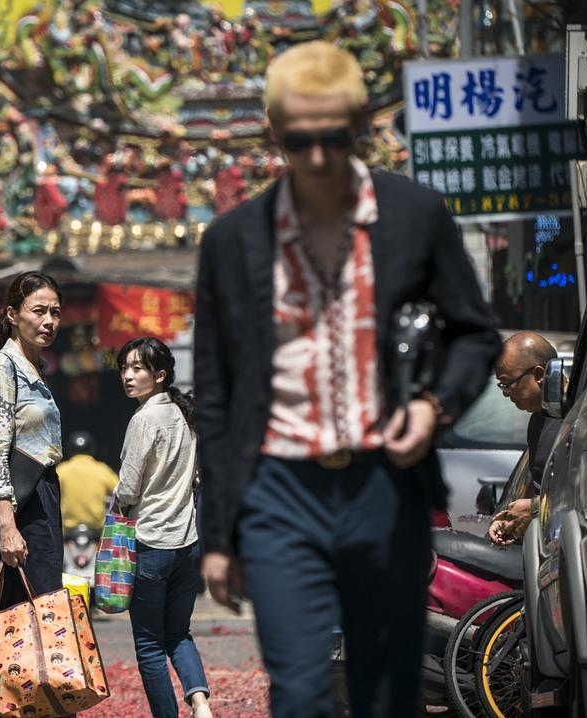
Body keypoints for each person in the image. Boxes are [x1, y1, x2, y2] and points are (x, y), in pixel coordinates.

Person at [193, 41, 501, 718]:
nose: (317, 158)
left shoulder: (414, 216)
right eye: (298, 141)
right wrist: (218, 537)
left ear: (359, 128)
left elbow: (474, 334)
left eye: (334, 138)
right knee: (300, 693)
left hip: (384, 484)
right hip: (277, 492)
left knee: (385, 691)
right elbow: (215, 396)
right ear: (273, 133)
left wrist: (434, 406)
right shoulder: (232, 241)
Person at [115, 337, 213, 718]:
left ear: (160, 375)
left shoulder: (143, 419)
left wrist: (119, 503)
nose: (128, 375)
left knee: (149, 646)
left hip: (151, 543)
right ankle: (200, 702)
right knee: (179, 633)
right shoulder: (184, 414)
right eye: (125, 368)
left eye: (137, 368)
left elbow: (128, 488)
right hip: (187, 543)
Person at [0, 271, 66, 611]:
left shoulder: (35, 368)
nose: (49, 321)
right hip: (20, 505)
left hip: (42, 497)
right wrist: (7, 527)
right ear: (13, 315)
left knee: (42, 611)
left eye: (55, 312)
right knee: (26, 615)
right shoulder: (1, 368)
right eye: (39, 311)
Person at [487, 331, 560, 545]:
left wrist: (534, 509)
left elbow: (584, 496)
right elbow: (535, 486)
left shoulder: (580, 419)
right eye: (502, 385)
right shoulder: (538, 420)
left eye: (508, 383)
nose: (505, 393)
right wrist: (511, 520)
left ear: (539, 374)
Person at [56, 431, 119, 534]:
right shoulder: (102, 470)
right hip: (96, 529)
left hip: (67, 530)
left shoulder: (61, 470)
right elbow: (120, 492)